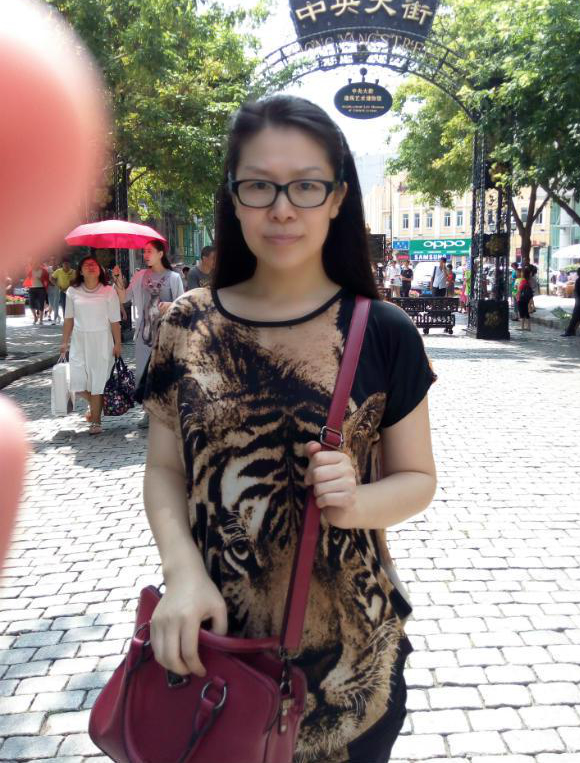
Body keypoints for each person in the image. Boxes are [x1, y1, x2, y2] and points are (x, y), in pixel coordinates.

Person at [141, 95, 438, 763]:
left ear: (337, 198)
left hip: (359, 668)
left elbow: (419, 479)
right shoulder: (184, 324)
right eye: (260, 186)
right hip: (216, 657)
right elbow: (165, 469)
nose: (282, 208)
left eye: (306, 186)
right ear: (234, 196)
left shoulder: (384, 330)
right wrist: (182, 573)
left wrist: (355, 500)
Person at [112, 240, 183, 413]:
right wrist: (118, 279)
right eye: (144, 251)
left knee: (164, 373)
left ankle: (166, 411)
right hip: (144, 334)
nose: (145, 255)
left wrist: (171, 305)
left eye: (149, 251)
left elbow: (183, 304)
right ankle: (148, 411)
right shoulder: (140, 276)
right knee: (143, 373)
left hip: (166, 335)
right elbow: (124, 297)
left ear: (160, 254)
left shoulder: (174, 277)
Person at [60, 256, 121, 434]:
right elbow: (68, 319)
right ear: (80, 271)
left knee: (97, 382)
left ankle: (96, 422)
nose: (90, 267)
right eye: (86, 265)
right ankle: (96, 404)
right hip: (79, 340)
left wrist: (118, 343)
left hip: (102, 341)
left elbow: (114, 321)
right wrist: (64, 341)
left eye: (94, 264)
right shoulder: (72, 291)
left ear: (100, 270)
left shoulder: (108, 291)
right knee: (76, 381)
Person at [562, 266, 580, 337]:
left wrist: (579, 299)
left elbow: (576, 292)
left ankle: (570, 331)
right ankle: (571, 330)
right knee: (578, 317)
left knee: (575, 317)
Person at [24, 258, 49, 325]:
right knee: (31, 304)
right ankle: (35, 317)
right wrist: (27, 285)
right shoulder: (31, 271)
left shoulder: (43, 271)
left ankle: (41, 320)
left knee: (41, 304)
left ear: (39, 264)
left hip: (41, 288)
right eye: (34, 264)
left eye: (36, 264)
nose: (35, 265)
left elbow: (47, 279)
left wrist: (41, 279)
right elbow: (28, 278)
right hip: (32, 289)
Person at [516, 266, 533, 331]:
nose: (521, 273)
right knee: (526, 312)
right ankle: (528, 327)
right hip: (526, 298)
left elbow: (519, 290)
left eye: (522, 272)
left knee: (522, 312)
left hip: (521, 298)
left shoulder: (523, 281)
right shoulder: (528, 281)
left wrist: (517, 296)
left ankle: (522, 327)